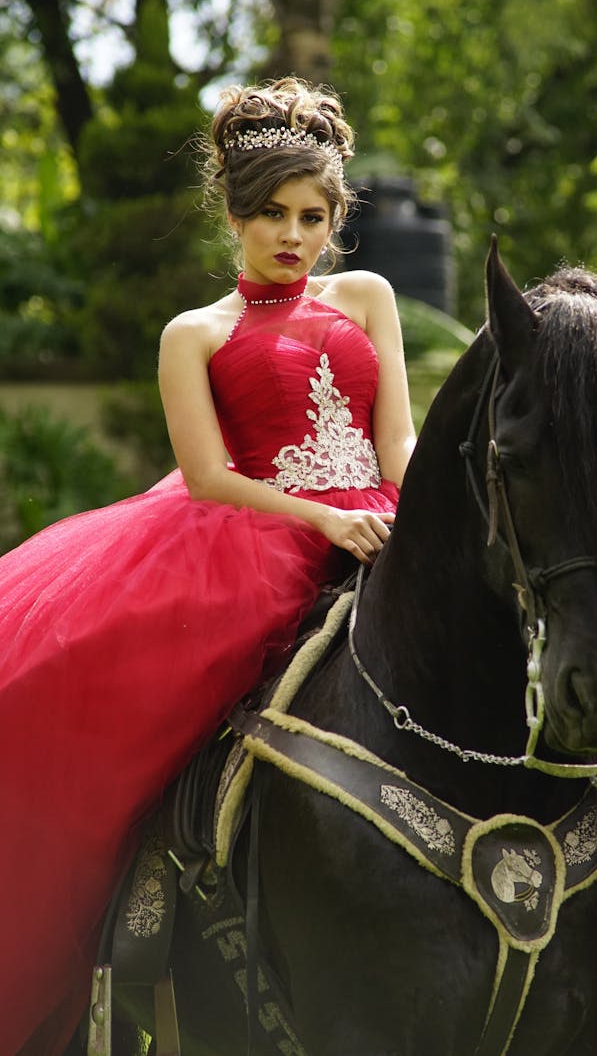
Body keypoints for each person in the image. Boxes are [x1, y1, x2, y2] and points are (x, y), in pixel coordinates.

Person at [0, 77, 416, 1055]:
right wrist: (322, 518)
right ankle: (148, 896)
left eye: (312, 216)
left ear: (335, 219)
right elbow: (210, 476)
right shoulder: (197, 332)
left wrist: (421, 514)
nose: (292, 234)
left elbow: (396, 439)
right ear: (233, 215)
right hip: (253, 535)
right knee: (157, 701)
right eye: (271, 213)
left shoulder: (368, 296)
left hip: (384, 519)